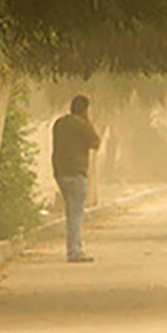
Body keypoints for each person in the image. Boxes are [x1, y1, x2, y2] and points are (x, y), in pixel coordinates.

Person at [51, 94, 101, 262]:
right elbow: (96, 143)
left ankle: (73, 248)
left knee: (70, 211)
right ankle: (74, 251)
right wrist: (88, 121)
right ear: (85, 110)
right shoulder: (82, 125)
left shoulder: (59, 123)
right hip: (76, 173)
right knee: (76, 213)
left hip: (60, 173)